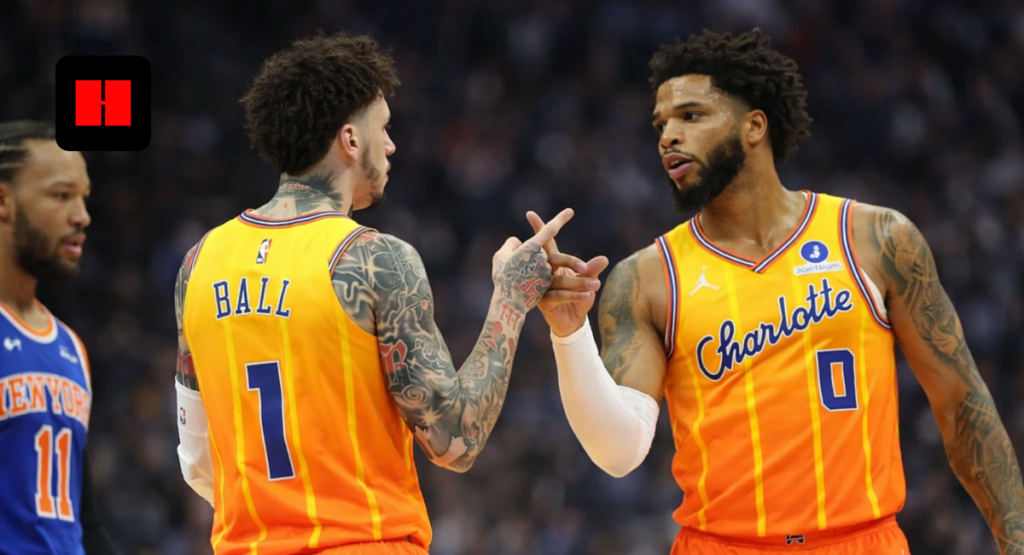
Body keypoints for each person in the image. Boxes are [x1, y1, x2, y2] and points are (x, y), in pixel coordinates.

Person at [531, 29, 1024, 554]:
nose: (668, 136)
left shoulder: (875, 238)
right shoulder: (647, 278)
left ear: (754, 125)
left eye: (691, 116)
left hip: (862, 540)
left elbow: (961, 404)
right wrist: (569, 334)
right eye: (661, 124)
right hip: (721, 545)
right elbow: (619, 452)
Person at [173, 33, 596, 555]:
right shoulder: (373, 259)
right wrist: (510, 298)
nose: (391, 145)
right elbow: (456, 440)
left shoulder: (198, 263)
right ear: (351, 140)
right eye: (384, 128)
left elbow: (198, 462)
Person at [0, 120, 118, 554]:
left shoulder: (70, 346)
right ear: (3, 201)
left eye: (83, 196)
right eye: (61, 195)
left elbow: (84, 522)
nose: (82, 215)